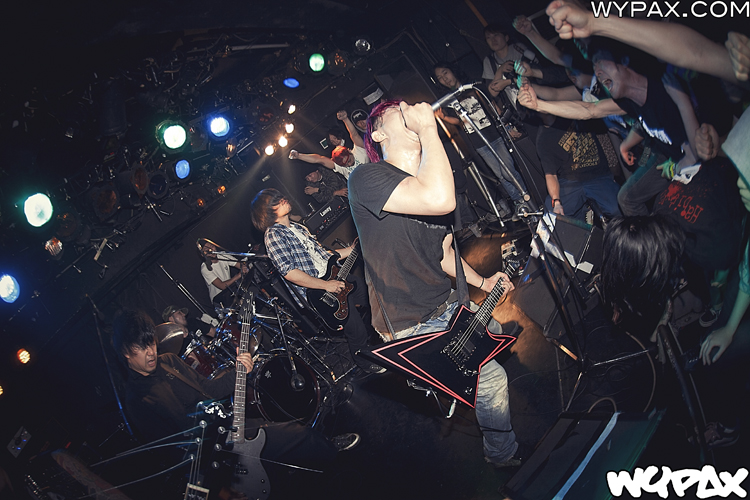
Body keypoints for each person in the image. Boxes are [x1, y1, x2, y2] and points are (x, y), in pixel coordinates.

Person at [348, 99, 521, 467]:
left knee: (493, 329)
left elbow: (443, 253)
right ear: (378, 135)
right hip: (412, 322)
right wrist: (428, 127)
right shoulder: (366, 178)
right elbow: (440, 200)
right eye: (398, 111)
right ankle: (502, 455)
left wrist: (484, 281)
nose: (409, 109)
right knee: (491, 380)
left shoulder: (429, 179)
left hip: (447, 302)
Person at [111, 310, 360, 496]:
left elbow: (210, 390)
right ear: (125, 352)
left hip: (230, 430)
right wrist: (218, 487)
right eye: (140, 348)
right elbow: (174, 455)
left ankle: (330, 450)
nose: (150, 352)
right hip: (214, 461)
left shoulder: (169, 362)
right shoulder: (136, 401)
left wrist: (240, 370)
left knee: (296, 434)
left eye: (151, 343)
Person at [518, 46, 700, 215]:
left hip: (684, 159)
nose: (597, 71)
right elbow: (590, 110)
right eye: (594, 66)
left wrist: (678, 165)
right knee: (627, 198)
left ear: (624, 62)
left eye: (600, 63)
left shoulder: (666, 88)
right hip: (665, 156)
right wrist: (537, 104)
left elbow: (697, 145)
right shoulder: (625, 101)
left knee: (651, 200)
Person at [250, 188, 384, 375]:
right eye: (277, 201)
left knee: (375, 297)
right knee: (356, 329)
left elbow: (325, 255)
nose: (283, 199)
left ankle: (387, 337)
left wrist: (352, 249)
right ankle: (366, 363)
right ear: (267, 212)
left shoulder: (298, 228)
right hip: (320, 291)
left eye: (281, 197)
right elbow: (289, 272)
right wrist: (326, 285)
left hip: (337, 277)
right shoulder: (274, 235)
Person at [433, 62, 528, 206]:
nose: (444, 79)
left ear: (452, 70)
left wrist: (507, 126)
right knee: (500, 176)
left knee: (508, 172)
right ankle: (519, 203)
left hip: (495, 136)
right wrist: (444, 117)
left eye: (445, 73)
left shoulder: (472, 86)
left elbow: (492, 105)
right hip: (479, 144)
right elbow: (460, 121)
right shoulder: (449, 99)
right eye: (440, 77)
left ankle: (526, 198)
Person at [536, 111, 622, 221]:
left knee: (617, 209)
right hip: (570, 182)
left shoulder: (572, 111)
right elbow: (551, 174)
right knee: (552, 217)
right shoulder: (543, 138)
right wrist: (556, 202)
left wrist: (614, 170)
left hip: (597, 175)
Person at [289, 110, 368, 180]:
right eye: (346, 164)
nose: (349, 164)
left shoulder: (359, 151)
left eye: (349, 160)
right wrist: (299, 156)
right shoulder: (340, 167)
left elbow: (354, 134)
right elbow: (319, 159)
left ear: (349, 151)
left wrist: (345, 119)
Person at [200, 240, 249, 305]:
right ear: (203, 254)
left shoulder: (222, 255)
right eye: (207, 249)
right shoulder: (205, 268)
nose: (211, 249)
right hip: (219, 298)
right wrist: (239, 275)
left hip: (231, 291)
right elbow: (222, 286)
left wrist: (245, 265)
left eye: (211, 246)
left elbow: (239, 265)